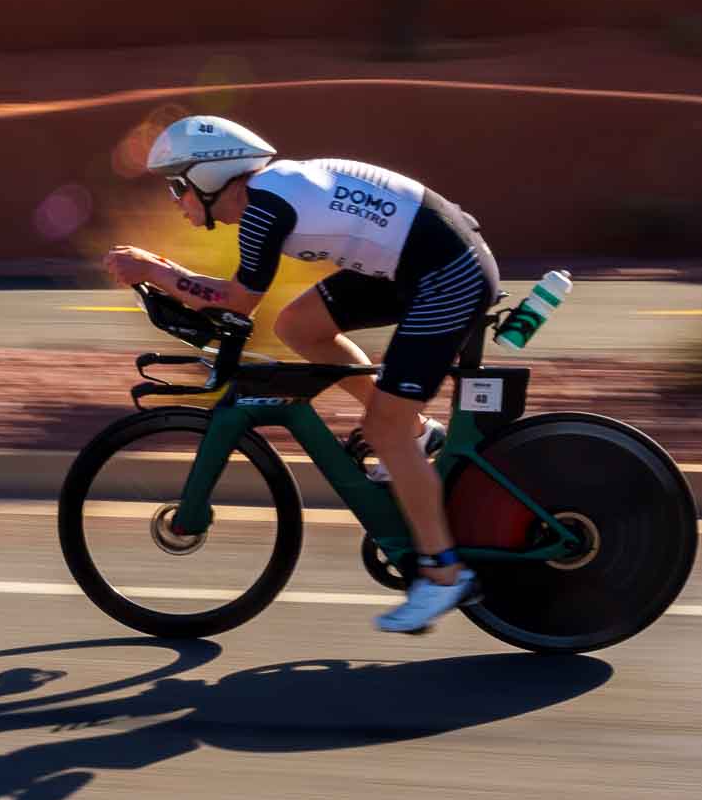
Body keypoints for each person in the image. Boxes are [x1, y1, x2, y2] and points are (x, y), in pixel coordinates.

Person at [101, 114, 501, 634]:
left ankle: (443, 573)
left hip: (447, 276)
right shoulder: (271, 194)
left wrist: (157, 271)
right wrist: (166, 271)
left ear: (207, 178)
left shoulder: (266, 206)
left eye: (179, 186)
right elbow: (240, 296)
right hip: (417, 264)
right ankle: (420, 435)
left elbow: (239, 301)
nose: (176, 200)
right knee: (299, 324)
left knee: (384, 427)